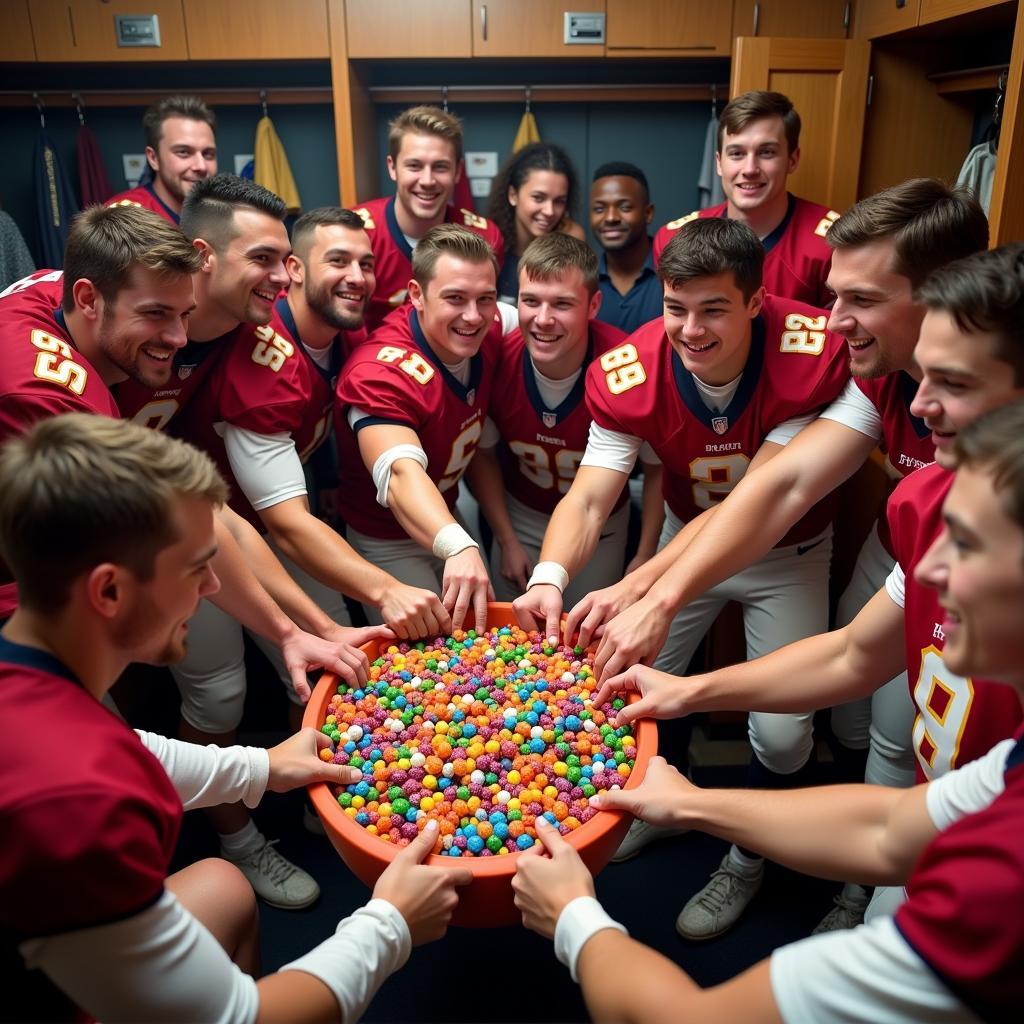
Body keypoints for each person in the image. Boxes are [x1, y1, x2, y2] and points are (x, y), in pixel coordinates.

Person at [513, 397, 1024, 1024]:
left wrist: (574, 918)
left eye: (967, 546)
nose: (929, 567)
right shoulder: (1008, 766)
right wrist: (689, 738)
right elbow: (888, 820)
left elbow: (693, 1017)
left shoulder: (998, 886)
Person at [571, 180, 988, 932]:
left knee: (882, 741)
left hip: (833, 570)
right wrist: (650, 593)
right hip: (880, 562)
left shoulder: (873, 382)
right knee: (880, 730)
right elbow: (781, 487)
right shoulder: (888, 392)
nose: (834, 322)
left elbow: (787, 500)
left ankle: (840, 885)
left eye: (859, 298)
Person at [0, 414, 472, 1023]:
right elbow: (239, 1018)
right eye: (197, 568)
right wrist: (391, 923)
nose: (215, 585)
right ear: (109, 592)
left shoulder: (26, 665)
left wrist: (264, 766)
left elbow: (122, 746)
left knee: (223, 885)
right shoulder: (78, 811)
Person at [513, 217, 849, 936]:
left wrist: (648, 588)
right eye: (675, 307)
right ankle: (654, 805)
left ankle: (745, 857)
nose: (690, 330)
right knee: (622, 694)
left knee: (786, 736)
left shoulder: (812, 350)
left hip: (783, 552)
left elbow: (758, 505)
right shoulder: (632, 370)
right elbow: (594, 491)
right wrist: (550, 574)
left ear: (757, 302)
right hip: (679, 542)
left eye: (713, 309)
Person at [169, 207, 449, 765]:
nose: (357, 277)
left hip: (268, 525)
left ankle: (317, 800)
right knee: (221, 696)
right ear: (294, 271)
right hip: (198, 534)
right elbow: (286, 522)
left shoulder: (347, 333)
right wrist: (385, 590)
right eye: (337, 261)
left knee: (336, 666)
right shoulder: (264, 355)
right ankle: (235, 840)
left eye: (366, 264)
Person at [335, 224, 503, 633]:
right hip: (387, 539)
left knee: (481, 637)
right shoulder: (380, 369)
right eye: (455, 299)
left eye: (486, 299)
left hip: (446, 512)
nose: (473, 316)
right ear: (416, 295)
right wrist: (458, 545)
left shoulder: (491, 327)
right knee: (436, 654)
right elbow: (399, 474)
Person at [464, 234, 630, 604]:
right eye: (531, 301)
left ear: (593, 305)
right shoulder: (497, 357)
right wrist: (506, 538)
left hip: (600, 524)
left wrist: (645, 553)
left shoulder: (622, 364)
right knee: (509, 633)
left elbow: (656, 470)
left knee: (589, 640)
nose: (543, 319)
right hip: (521, 516)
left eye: (562, 304)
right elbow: (483, 454)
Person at [653, 90, 838, 308]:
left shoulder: (832, 243)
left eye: (766, 152)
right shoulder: (673, 238)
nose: (750, 169)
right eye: (737, 154)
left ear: (792, 159)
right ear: (719, 163)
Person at [354, 106, 503, 330]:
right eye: (414, 166)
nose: (427, 180)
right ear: (392, 167)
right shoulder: (357, 233)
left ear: (457, 172)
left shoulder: (483, 237)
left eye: (440, 167)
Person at [487, 141, 585, 304]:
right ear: (513, 195)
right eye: (538, 198)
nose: (550, 211)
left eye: (559, 201)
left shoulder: (571, 241)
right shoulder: (490, 240)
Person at [107, 94, 217, 224]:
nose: (201, 166)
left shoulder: (221, 215)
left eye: (208, 154)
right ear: (153, 158)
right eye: (183, 152)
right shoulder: (124, 220)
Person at [590, 162, 662, 335]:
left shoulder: (675, 275)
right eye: (599, 209)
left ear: (648, 213)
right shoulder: (584, 280)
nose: (611, 217)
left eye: (624, 207)